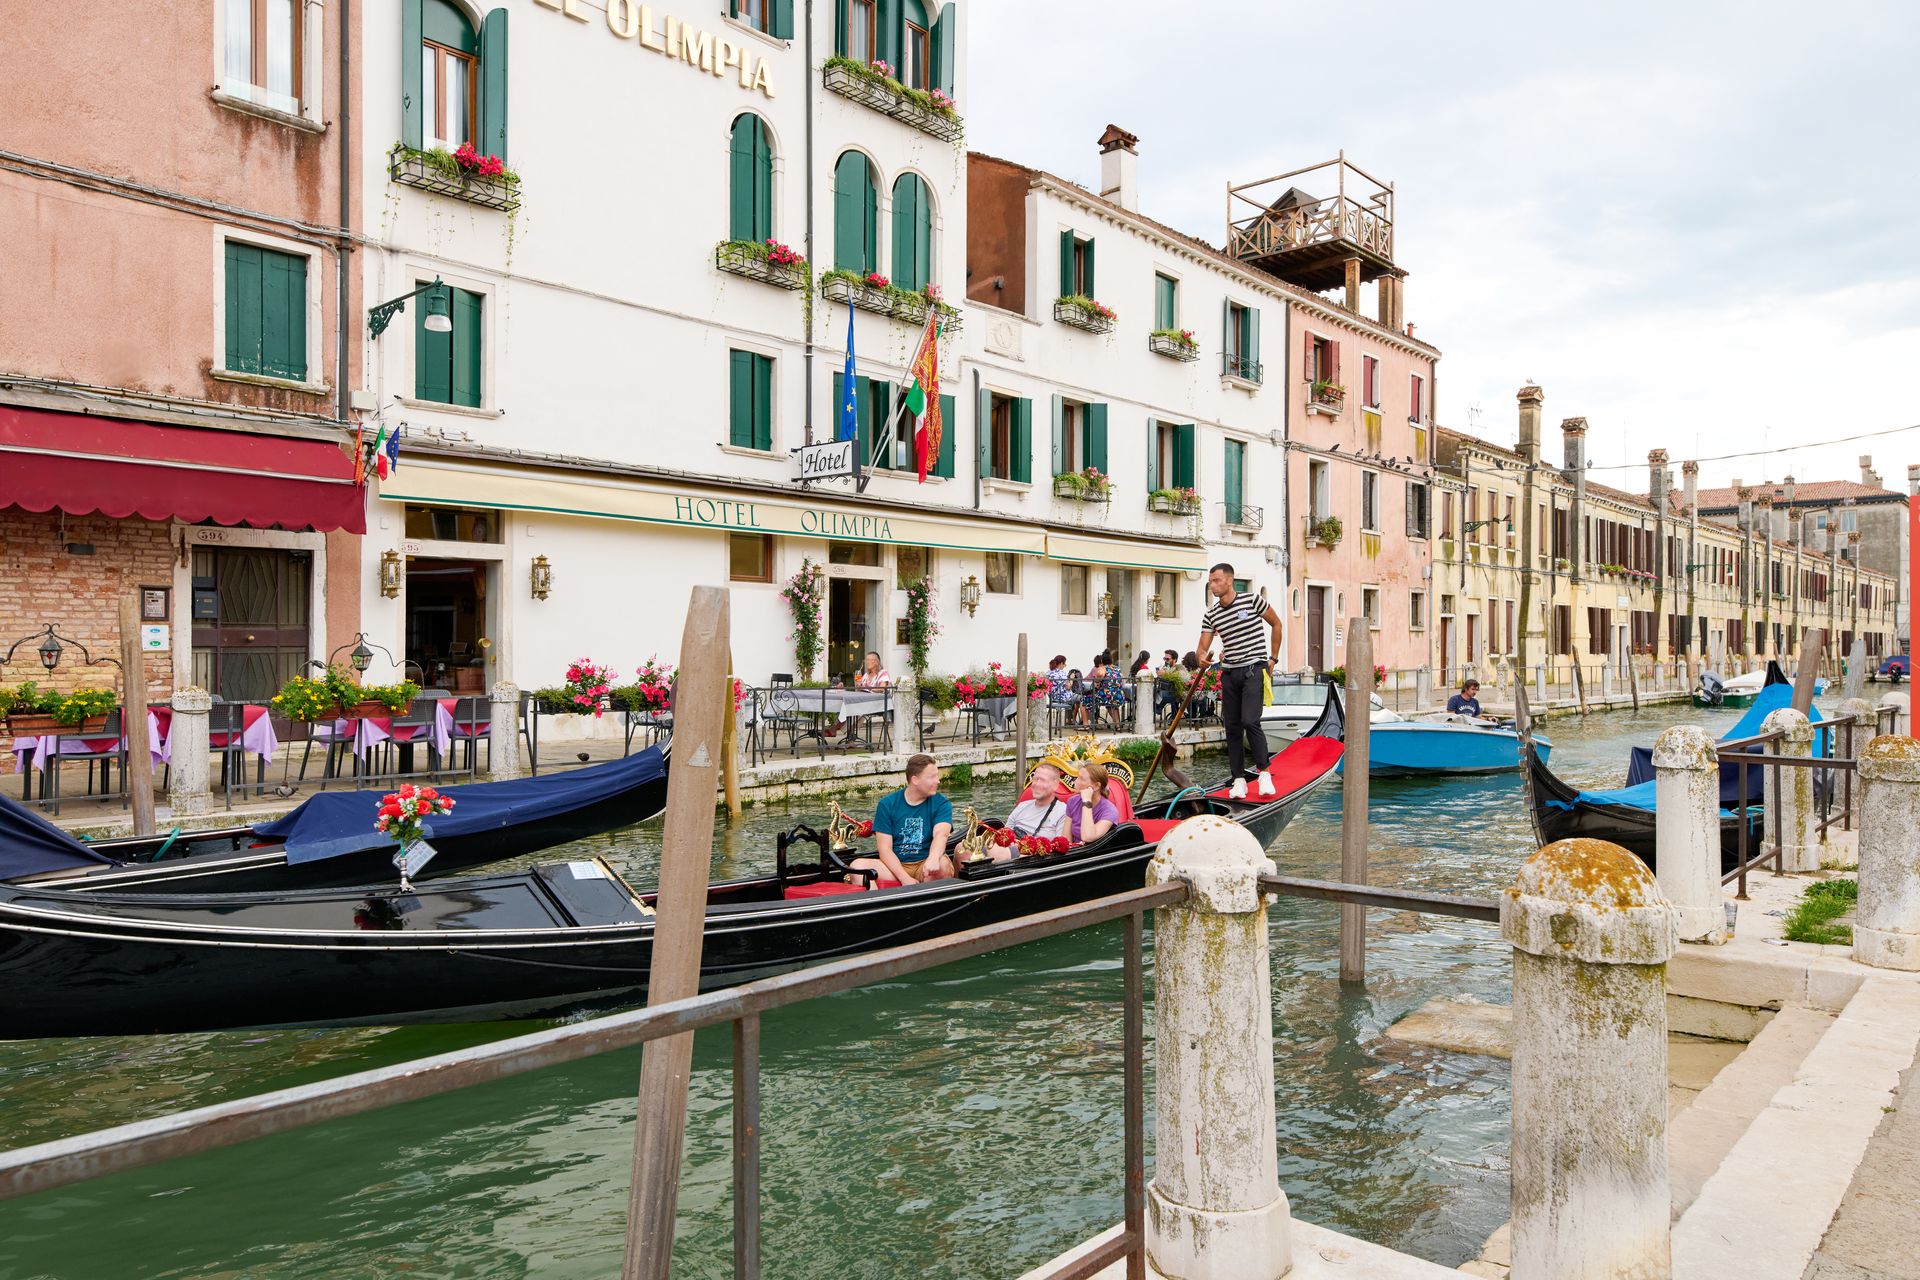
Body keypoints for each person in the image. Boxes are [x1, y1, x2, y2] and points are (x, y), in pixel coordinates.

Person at [1196, 562, 1282, 800]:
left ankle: (1264, 774)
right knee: (1232, 727)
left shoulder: (1252, 601)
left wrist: (1273, 658)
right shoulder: (1211, 614)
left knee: (1250, 721)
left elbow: (1276, 623)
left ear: (1230, 580)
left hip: (1254, 668)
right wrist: (1202, 658)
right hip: (1230, 673)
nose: (1213, 585)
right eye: (1210, 581)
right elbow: (1202, 647)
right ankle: (1239, 781)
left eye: (1217, 580)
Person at [854, 754, 954, 886]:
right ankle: (878, 903)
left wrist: (933, 858)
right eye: (932, 777)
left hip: (926, 861)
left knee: (941, 865)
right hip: (895, 866)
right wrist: (904, 878)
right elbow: (885, 849)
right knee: (858, 866)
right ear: (915, 780)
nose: (938, 781)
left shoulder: (941, 803)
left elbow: (941, 834)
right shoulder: (887, 804)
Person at [1001, 762, 1069, 853]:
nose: (1037, 784)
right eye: (1035, 779)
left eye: (1043, 780)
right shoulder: (1022, 806)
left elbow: (1060, 847)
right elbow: (1004, 835)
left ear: (1055, 785)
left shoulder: (1063, 811)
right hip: (1010, 851)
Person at [1065, 762, 1119, 845]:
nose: (1076, 781)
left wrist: (1086, 800)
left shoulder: (1110, 811)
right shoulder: (1072, 801)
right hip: (1074, 852)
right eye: (1077, 777)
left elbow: (1088, 836)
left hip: (1096, 854)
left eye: (1081, 779)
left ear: (1096, 786)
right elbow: (1066, 839)